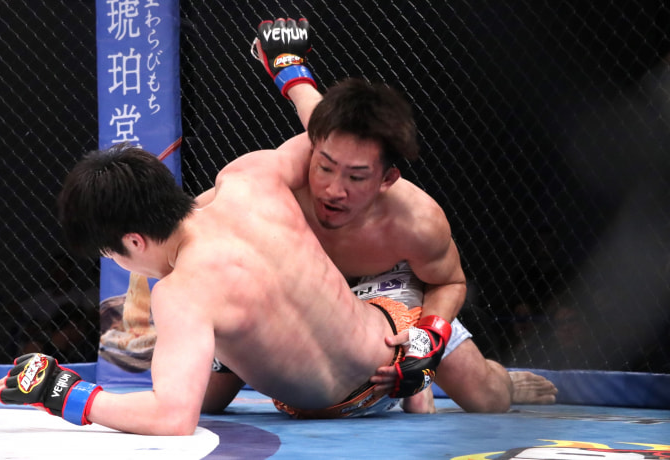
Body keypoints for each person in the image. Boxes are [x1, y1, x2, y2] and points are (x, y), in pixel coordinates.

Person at [201, 18, 557, 414]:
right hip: (302, 288)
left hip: (390, 291)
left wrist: (426, 341)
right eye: (325, 167)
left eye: (356, 177)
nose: (334, 190)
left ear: (387, 179)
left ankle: (503, 380)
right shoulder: (290, 169)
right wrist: (288, 65)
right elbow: (207, 210)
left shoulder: (416, 220)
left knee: (487, 399)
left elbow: (450, 281)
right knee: (207, 400)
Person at [0, 136, 452, 434]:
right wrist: (292, 72)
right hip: (391, 336)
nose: (117, 263)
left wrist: (62, 392)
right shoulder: (248, 177)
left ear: (133, 240)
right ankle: (423, 372)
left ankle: (428, 374)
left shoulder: (181, 293)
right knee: (213, 371)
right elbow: (333, 136)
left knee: (197, 355)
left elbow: (172, 418)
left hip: (344, 399)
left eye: (112, 254)